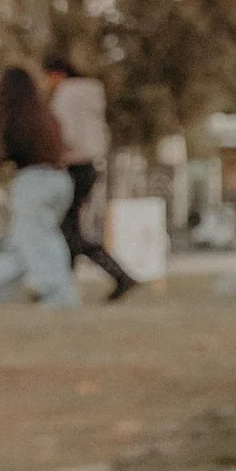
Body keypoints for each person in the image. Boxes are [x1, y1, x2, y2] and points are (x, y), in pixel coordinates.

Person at [40, 54, 137, 301]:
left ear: (57, 74)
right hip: (91, 164)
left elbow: (67, 133)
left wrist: (54, 153)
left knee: (68, 230)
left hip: (74, 165)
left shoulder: (66, 94)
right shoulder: (90, 95)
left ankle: (113, 276)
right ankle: (64, 284)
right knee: (69, 228)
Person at [0, 67, 80, 308]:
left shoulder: (18, 117)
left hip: (34, 181)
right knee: (21, 239)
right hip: (60, 179)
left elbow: (13, 148)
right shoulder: (46, 115)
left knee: (39, 239)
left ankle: (59, 294)